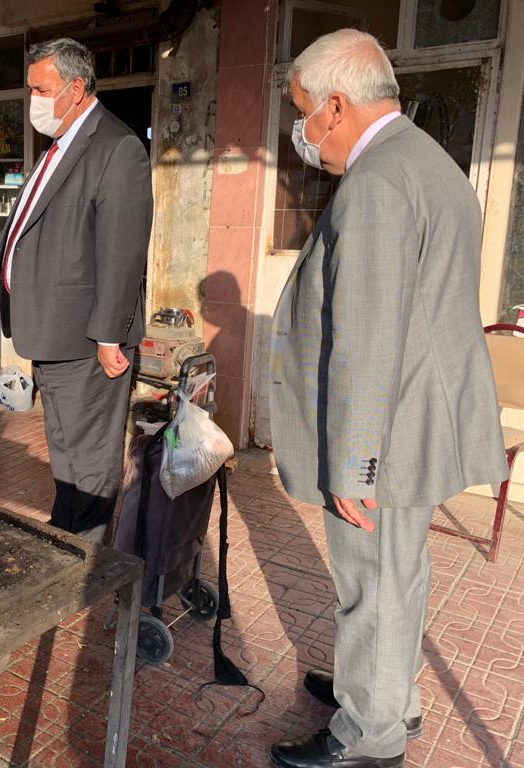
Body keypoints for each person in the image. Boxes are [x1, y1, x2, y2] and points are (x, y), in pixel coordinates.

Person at [268, 29, 507, 768]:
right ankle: (383, 696)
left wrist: (355, 466)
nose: (303, 133)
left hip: (387, 431)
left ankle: (367, 737)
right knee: (398, 577)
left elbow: (368, 339)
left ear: (336, 107)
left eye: (304, 114)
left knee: (372, 582)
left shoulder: (375, 184)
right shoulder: (430, 163)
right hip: (419, 418)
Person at [0, 37, 153, 543]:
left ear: (77, 87)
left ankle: (87, 558)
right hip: (52, 334)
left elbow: (122, 251)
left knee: (90, 459)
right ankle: (65, 536)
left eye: (41, 90)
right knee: (65, 450)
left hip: (88, 341)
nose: (33, 101)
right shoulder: (59, 148)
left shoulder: (116, 147)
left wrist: (110, 335)